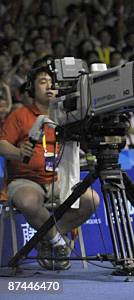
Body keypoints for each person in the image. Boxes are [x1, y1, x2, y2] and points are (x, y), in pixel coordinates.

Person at [0, 66, 100, 270]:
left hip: (59, 180)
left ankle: (47, 239)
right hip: (26, 180)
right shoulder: (20, 115)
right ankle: (57, 240)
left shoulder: (67, 116)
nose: (49, 86)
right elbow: (2, 144)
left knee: (91, 200)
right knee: (28, 201)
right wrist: (19, 153)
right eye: (43, 81)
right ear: (31, 88)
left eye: (52, 82)